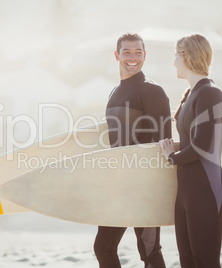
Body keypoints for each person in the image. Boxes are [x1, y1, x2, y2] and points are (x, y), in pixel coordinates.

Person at [94, 33, 171, 268]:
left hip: (144, 185)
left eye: (138, 52)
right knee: (103, 247)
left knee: (148, 249)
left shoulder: (151, 91)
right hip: (119, 183)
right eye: (127, 52)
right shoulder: (115, 92)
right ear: (117, 55)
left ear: (145, 56)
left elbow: (165, 141)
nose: (133, 57)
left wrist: (158, 186)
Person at [159, 33, 222, 267]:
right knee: (187, 261)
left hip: (206, 190)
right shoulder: (190, 94)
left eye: (176, 55)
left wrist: (172, 157)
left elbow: (201, 145)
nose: (174, 62)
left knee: (205, 261)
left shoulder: (210, 93)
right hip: (187, 192)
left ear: (186, 56)